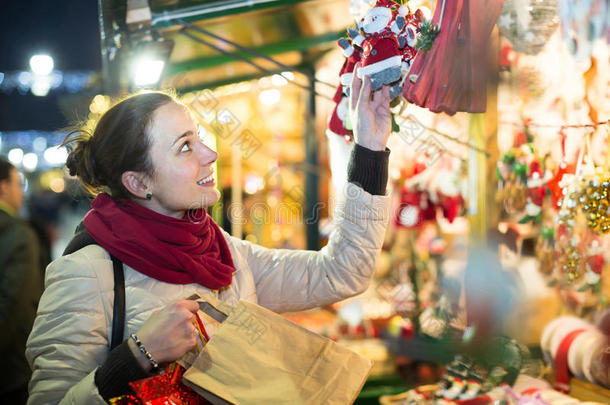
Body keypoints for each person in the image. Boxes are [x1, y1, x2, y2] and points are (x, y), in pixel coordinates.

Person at [26, 65, 392, 405]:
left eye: (198, 138)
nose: (211, 154)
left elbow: (342, 271)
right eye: (185, 147)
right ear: (139, 182)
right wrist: (137, 355)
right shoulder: (84, 274)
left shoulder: (222, 252)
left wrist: (370, 151)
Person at [0, 158, 43, 405]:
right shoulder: (19, 235)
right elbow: (15, 306)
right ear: (3, 187)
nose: (21, 191)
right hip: (11, 373)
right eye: (18, 184)